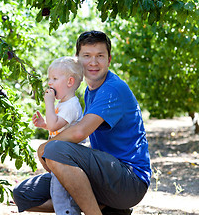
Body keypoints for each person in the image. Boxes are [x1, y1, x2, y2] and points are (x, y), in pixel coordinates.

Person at [13, 31, 152, 215]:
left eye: (100, 56)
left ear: (109, 59)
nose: (93, 62)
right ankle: (109, 209)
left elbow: (80, 132)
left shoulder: (113, 89)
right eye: (87, 56)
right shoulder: (89, 91)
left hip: (129, 181)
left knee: (54, 149)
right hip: (101, 177)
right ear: (78, 60)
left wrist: (44, 148)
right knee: (23, 194)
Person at [32, 56, 84, 215]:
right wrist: (44, 124)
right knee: (59, 192)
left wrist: (49, 103)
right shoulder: (63, 103)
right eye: (49, 79)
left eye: (54, 78)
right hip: (59, 157)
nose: (49, 83)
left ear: (69, 82)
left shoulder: (72, 104)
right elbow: (58, 125)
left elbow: (55, 125)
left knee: (62, 195)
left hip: (66, 160)